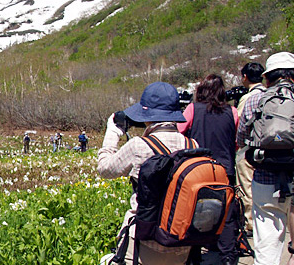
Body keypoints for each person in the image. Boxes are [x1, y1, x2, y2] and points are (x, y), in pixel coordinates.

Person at [98, 81, 194, 264]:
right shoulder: (192, 145)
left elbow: (104, 169)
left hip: (145, 241)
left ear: (147, 115)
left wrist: (112, 134)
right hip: (183, 242)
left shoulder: (139, 146)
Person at [237, 52, 294, 265]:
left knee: (267, 241)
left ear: (267, 78)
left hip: (265, 178)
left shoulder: (256, 99)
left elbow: (241, 137)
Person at [177, 74, 240, 264]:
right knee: (227, 212)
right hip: (225, 167)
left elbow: (179, 132)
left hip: (198, 167)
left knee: (195, 209)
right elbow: (235, 141)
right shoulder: (232, 111)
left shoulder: (192, 109)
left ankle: (194, 253)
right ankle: (228, 255)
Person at [236, 62, 265, 235]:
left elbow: (240, 124)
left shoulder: (249, 98)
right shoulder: (269, 94)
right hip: (269, 148)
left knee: (247, 187)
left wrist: (239, 146)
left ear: (245, 77)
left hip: (249, 148)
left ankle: (250, 224)